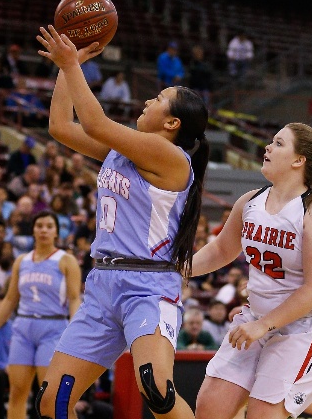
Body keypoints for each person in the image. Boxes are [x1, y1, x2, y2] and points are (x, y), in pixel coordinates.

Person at [35, 25, 209, 419]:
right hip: (102, 285)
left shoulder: (171, 158)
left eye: (160, 98)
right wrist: (69, 67)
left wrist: (70, 65)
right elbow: (60, 126)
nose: (150, 99)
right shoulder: (122, 150)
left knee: (157, 391)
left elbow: (95, 123)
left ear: (172, 124)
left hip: (147, 288)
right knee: (52, 401)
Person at [191, 122, 312, 419]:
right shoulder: (250, 201)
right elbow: (222, 250)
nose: (267, 147)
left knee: (263, 415)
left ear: (298, 160)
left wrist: (263, 324)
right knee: (210, 407)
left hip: (307, 326)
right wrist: (179, 270)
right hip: (257, 319)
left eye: (278, 143)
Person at [0, 210, 81, 419]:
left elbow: (74, 299)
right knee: (17, 392)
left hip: (53, 328)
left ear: (56, 233)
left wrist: (76, 333)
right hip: (23, 329)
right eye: (39, 226)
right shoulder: (22, 261)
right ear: (33, 231)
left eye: (49, 226)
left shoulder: (66, 261)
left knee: (50, 396)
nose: (43, 230)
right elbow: (9, 300)